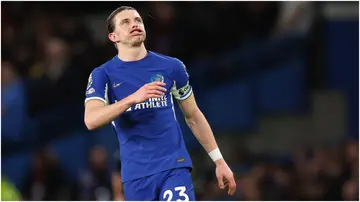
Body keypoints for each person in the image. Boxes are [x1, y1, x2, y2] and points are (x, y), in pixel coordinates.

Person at [84, 6, 236, 201]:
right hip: (136, 174)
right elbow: (91, 119)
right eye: (126, 22)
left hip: (173, 166)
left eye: (138, 20)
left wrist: (219, 161)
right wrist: (132, 98)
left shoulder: (171, 67)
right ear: (113, 37)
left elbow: (193, 116)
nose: (135, 25)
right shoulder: (102, 74)